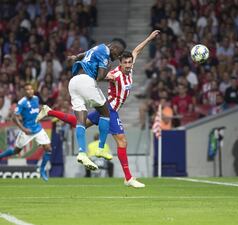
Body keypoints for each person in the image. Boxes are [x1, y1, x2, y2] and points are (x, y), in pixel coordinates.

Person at [37, 30, 161, 187]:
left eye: (130, 62)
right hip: (111, 109)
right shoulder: (115, 74)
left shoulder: (129, 67)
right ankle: (128, 177)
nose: (129, 65)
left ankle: (48, 111)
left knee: (78, 123)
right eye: (126, 63)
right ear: (120, 63)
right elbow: (101, 75)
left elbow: (137, 50)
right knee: (122, 141)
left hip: (106, 107)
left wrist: (149, 38)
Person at [67, 40, 124, 171]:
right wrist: (108, 70)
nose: (116, 58)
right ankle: (101, 149)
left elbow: (82, 54)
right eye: (118, 54)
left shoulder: (97, 48)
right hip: (86, 81)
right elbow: (100, 77)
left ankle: (82, 153)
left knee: (81, 120)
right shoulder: (105, 52)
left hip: (73, 82)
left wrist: (75, 57)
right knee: (105, 113)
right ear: (114, 48)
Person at [0, 83, 51, 181]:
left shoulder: (36, 98)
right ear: (24, 92)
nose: (30, 91)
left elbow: (35, 110)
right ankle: (1, 156)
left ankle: (42, 170)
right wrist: (23, 129)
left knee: (48, 148)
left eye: (31, 89)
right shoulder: (22, 102)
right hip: (27, 131)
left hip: (38, 129)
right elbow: (13, 117)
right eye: (27, 90)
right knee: (16, 151)